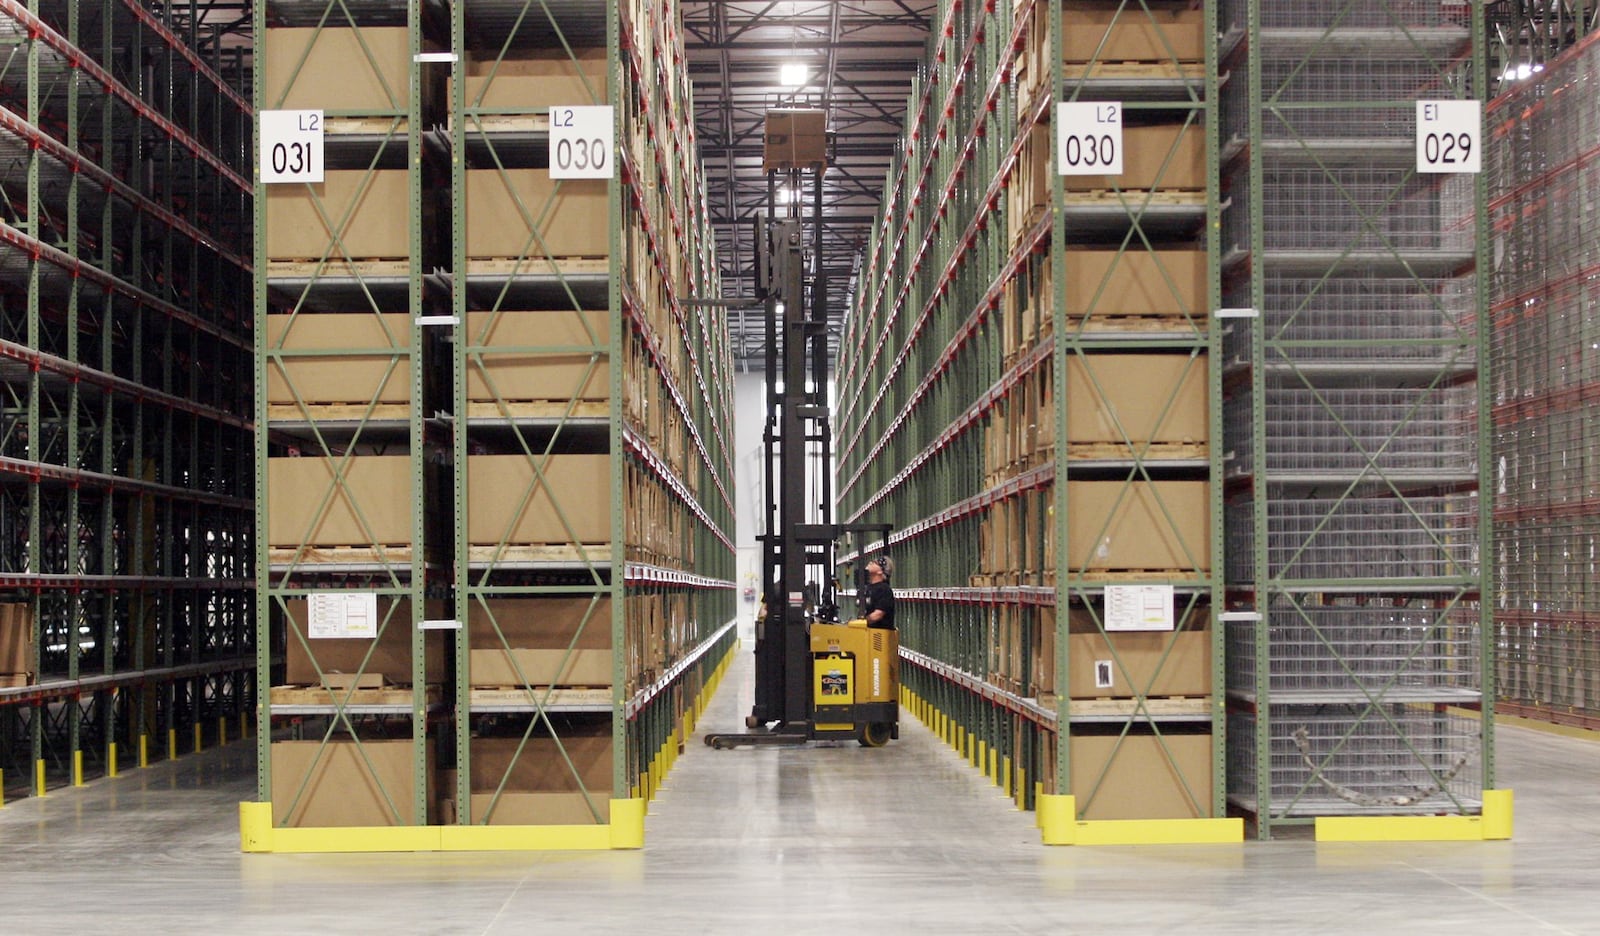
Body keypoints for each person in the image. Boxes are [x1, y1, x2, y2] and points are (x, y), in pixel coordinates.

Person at [860, 556, 895, 629]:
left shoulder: (884, 589)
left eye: (874, 563)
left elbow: (878, 614)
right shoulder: (868, 588)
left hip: (877, 635)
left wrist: (861, 622)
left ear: (880, 571)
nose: (870, 563)